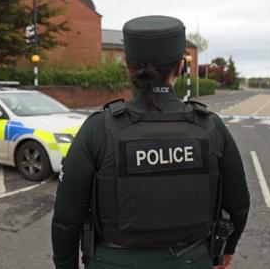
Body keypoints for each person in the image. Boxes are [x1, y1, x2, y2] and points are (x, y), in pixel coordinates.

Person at [52, 15, 250, 269]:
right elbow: (239, 205)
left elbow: (66, 219)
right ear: (180, 66)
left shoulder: (99, 128)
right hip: (192, 260)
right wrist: (226, 250)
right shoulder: (211, 126)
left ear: (128, 66)